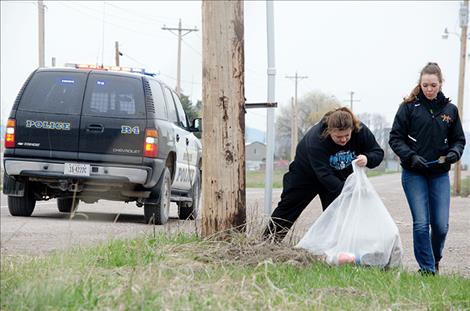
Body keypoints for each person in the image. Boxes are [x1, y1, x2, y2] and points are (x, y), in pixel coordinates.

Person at [389, 62, 466, 275]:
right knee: (421, 224)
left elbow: (459, 140)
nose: (429, 89)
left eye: (433, 85)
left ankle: (434, 259)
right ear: (420, 84)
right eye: (425, 85)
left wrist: (454, 153)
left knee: (440, 226)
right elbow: (395, 138)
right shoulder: (408, 107)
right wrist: (411, 156)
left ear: (441, 84)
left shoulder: (450, 110)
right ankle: (427, 269)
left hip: (439, 174)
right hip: (414, 173)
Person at [264, 106, 384, 242]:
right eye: (338, 136)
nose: (344, 140)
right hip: (305, 176)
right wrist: (346, 192)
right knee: (288, 208)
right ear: (329, 131)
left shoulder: (360, 130)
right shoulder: (316, 139)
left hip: (338, 175)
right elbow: (324, 175)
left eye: (347, 135)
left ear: (352, 129)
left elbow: (378, 152)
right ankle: (268, 243)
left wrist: (368, 158)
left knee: (339, 215)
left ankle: (338, 250)